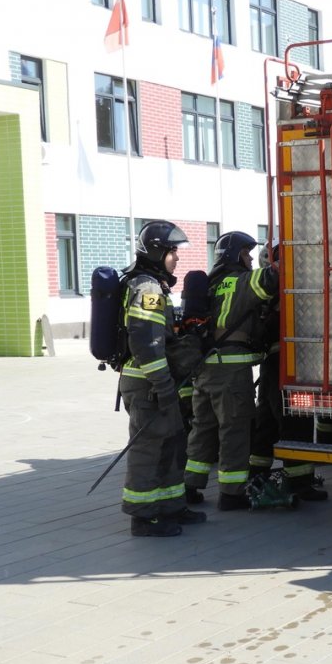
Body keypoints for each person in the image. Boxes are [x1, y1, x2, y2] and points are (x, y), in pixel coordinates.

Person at [119, 221, 207, 537]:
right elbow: (146, 343)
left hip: (158, 381)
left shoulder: (155, 286)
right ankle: (143, 517)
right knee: (148, 449)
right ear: (157, 252)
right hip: (147, 383)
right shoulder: (148, 290)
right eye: (172, 251)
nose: (177, 258)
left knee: (172, 444)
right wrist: (163, 385)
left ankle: (171, 506)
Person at [185, 231, 278, 510]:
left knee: (202, 429)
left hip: (204, 370)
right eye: (247, 253)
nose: (250, 258)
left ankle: (190, 486)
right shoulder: (240, 281)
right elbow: (270, 279)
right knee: (234, 430)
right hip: (231, 372)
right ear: (236, 254)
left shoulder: (210, 285)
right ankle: (231, 493)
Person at [249, 242, 327, 500]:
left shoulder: (265, 290)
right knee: (295, 421)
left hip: (273, 363)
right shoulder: (286, 291)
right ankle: (300, 484)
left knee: (268, 421)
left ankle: (256, 475)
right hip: (290, 362)